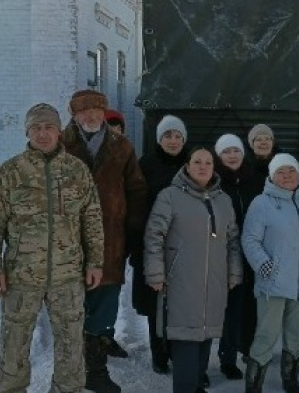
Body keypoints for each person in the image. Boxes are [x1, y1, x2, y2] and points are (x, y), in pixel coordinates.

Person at [0, 103, 104, 393]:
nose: (43, 133)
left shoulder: (76, 171)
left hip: (68, 275)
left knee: (71, 345)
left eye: (48, 127)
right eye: (36, 127)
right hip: (21, 276)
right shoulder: (10, 173)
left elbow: (92, 218)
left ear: (59, 132)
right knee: (14, 344)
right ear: (27, 131)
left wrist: (95, 261)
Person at [61, 89, 149, 393]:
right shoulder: (59, 145)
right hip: (67, 243)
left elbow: (136, 190)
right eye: (84, 112)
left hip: (111, 241)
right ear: (73, 115)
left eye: (96, 110)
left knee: (104, 308)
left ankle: (95, 370)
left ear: (104, 112)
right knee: (70, 309)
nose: (91, 116)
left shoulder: (121, 146)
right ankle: (67, 372)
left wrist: (133, 231)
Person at [143, 147, 244, 393]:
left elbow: (232, 240)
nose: (202, 166)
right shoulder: (170, 196)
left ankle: (197, 384)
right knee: (186, 338)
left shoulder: (223, 200)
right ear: (187, 166)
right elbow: (154, 235)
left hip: (215, 282)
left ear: (214, 168)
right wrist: (155, 273)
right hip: (181, 282)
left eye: (208, 163)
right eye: (197, 162)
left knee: (205, 334)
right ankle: (187, 387)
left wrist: (234, 272)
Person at [241, 154, 299, 393]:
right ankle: (254, 385)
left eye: (291, 170)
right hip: (272, 284)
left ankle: (291, 379)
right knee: (266, 336)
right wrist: (263, 264)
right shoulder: (261, 203)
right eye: (280, 172)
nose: (286, 176)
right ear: (272, 176)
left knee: (296, 335)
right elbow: (250, 239)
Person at [131, 114, 189, 374]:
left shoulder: (192, 164)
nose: (173, 141)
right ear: (159, 139)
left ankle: (179, 352)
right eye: (168, 136)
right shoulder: (146, 165)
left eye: (178, 136)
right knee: (156, 304)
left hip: (186, 246)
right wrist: (137, 247)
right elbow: (135, 207)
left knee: (181, 303)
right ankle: (159, 353)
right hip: (153, 245)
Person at [214, 134, 259, 380]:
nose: (232, 155)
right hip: (222, 255)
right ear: (219, 156)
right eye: (226, 151)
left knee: (247, 307)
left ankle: (245, 350)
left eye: (236, 151)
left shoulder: (255, 180)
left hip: (252, 254)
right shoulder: (214, 182)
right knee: (227, 309)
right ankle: (226, 357)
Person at [247, 123, 277, 193]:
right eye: (258, 139)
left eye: (267, 139)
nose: (263, 142)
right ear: (252, 144)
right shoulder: (245, 168)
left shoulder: (280, 166)